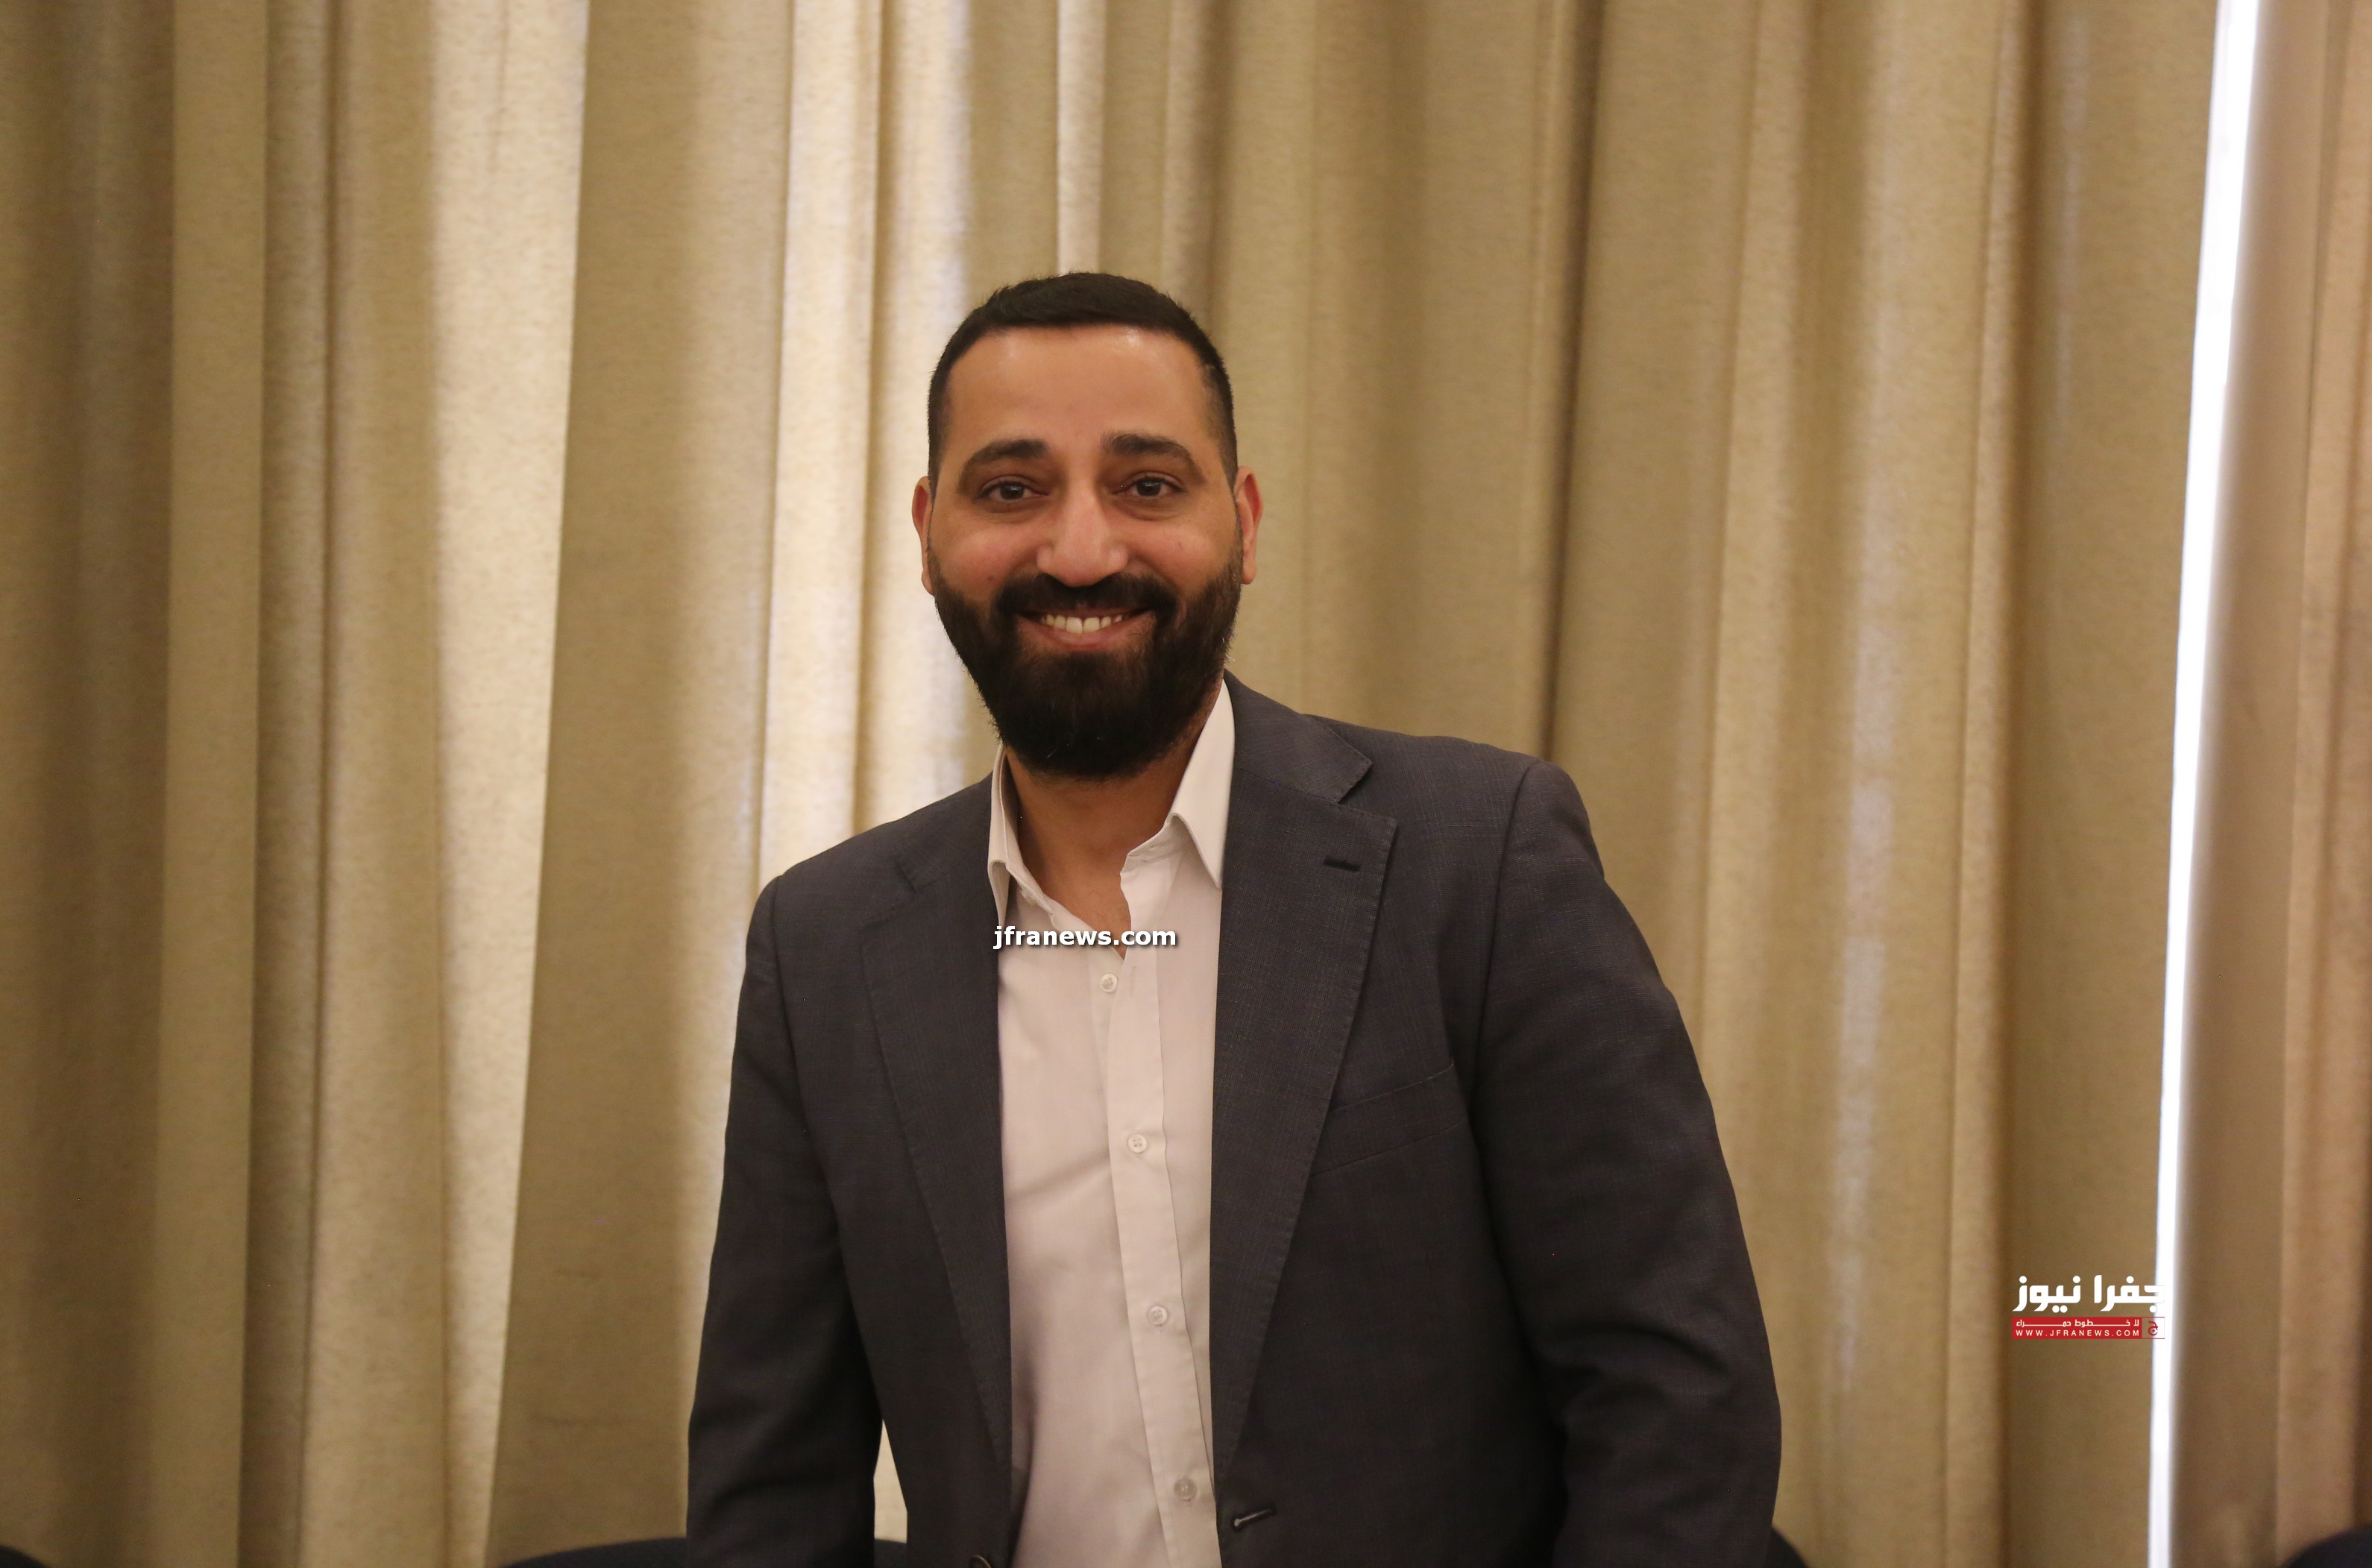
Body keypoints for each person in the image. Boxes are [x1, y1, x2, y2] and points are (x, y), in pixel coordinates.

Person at [688, 272, 1780, 1567]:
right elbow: (773, 1480)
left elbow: (1676, 1397)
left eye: (1148, 485)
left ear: (1244, 523)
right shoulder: (824, 949)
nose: (1081, 551)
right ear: (928, 535)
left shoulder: (1478, 863)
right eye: (1012, 489)